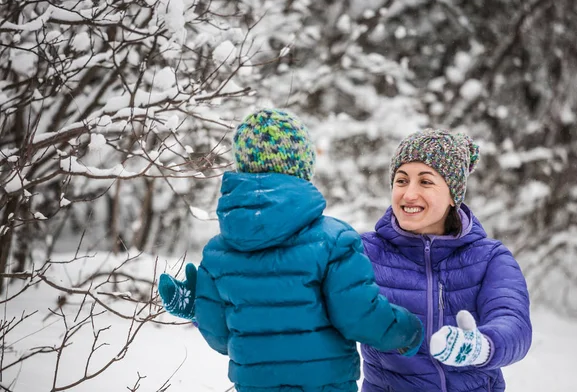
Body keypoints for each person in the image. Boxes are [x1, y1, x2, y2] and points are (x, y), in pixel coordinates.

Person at [157, 109, 424, 392]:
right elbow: (359, 316)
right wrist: (407, 330)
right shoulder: (334, 240)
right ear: (303, 167)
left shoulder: (217, 253)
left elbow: (222, 338)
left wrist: (199, 307)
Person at [360, 129, 532, 392]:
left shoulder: (490, 258)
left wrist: (481, 347)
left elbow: (514, 324)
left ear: (454, 194)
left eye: (425, 182)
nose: (409, 194)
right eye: (401, 180)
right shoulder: (366, 253)